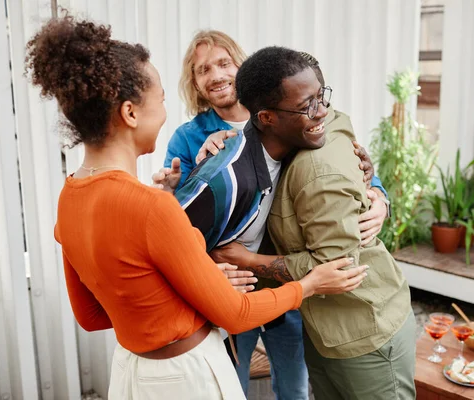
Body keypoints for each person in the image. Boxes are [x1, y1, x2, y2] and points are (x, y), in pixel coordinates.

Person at [25, 15, 368, 399]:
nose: (167, 113)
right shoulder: (152, 207)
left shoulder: (69, 196)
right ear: (130, 114)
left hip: (129, 372)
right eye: (161, 101)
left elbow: (91, 316)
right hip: (188, 375)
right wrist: (309, 284)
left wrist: (186, 291)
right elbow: (234, 314)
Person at [159, 31, 388, 399]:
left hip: (286, 278)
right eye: (203, 70)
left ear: (242, 66)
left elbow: (343, 162)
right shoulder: (190, 138)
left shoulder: (296, 116)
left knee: (294, 381)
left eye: (223, 63)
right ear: (195, 83)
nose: (215, 75)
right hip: (234, 285)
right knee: (230, 380)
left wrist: (379, 196)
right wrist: (175, 187)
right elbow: (185, 214)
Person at [211, 47, 416, 400]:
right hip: (321, 327)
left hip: (364, 330)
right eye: (308, 104)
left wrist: (248, 261)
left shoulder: (316, 166)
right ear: (266, 117)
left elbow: (333, 268)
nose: (321, 111)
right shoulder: (264, 146)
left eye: (321, 97)